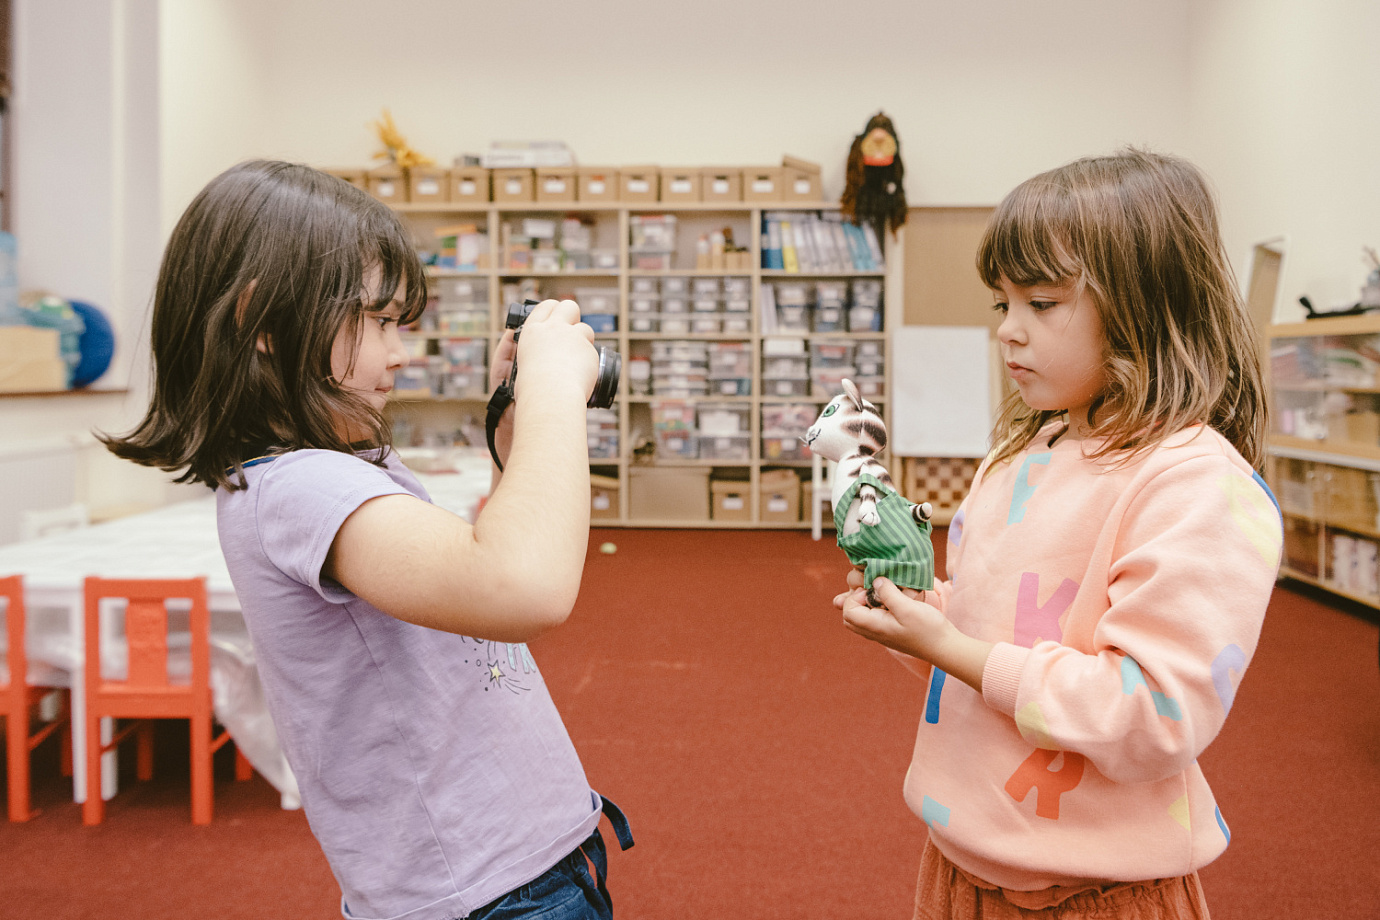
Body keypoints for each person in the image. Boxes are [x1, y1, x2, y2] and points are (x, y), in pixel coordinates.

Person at [102, 160, 632, 920]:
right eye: (379, 320)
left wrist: (515, 447)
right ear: (266, 323)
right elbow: (524, 585)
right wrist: (554, 393)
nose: (401, 351)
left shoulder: (328, 471)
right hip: (487, 896)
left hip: (512, 867)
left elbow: (469, 571)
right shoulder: (297, 487)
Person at [834, 148, 1282, 920]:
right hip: (960, 860)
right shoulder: (1025, 453)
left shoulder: (1195, 484)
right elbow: (1000, 633)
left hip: (1094, 890)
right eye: (1000, 304)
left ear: (1148, 304)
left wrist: (950, 648)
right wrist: (924, 619)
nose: (1007, 332)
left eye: (1041, 304)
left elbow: (1149, 712)